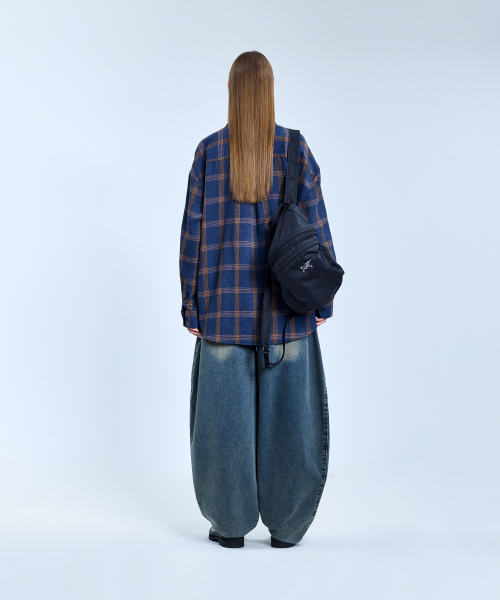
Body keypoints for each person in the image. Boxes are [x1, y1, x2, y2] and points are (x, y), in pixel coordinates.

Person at [179, 51, 338, 549]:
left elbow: (192, 236)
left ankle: (229, 527)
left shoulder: (209, 153)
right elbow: (316, 228)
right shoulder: (294, 150)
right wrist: (321, 302)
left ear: (232, 92)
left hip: (223, 315)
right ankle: (287, 530)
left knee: (221, 432)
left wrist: (192, 305)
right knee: (293, 429)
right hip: (288, 316)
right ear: (269, 92)